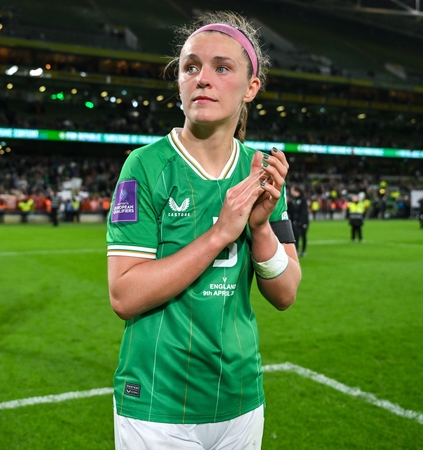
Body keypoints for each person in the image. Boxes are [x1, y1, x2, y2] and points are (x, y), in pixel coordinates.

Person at [106, 12, 300, 450]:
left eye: (222, 67)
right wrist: (219, 234)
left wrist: (261, 228)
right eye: (190, 67)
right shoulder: (145, 166)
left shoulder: (262, 171)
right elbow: (124, 295)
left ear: (251, 88)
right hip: (158, 404)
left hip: (240, 399)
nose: (202, 79)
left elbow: (286, 293)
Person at [287, 185, 309, 256]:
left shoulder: (303, 199)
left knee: (303, 235)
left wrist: (302, 221)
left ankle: (303, 250)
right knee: (295, 236)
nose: (291, 192)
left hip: (303, 221)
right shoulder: (292, 200)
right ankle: (296, 250)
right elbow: (290, 211)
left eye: (292, 191)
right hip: (294, 221)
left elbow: (304, 212)